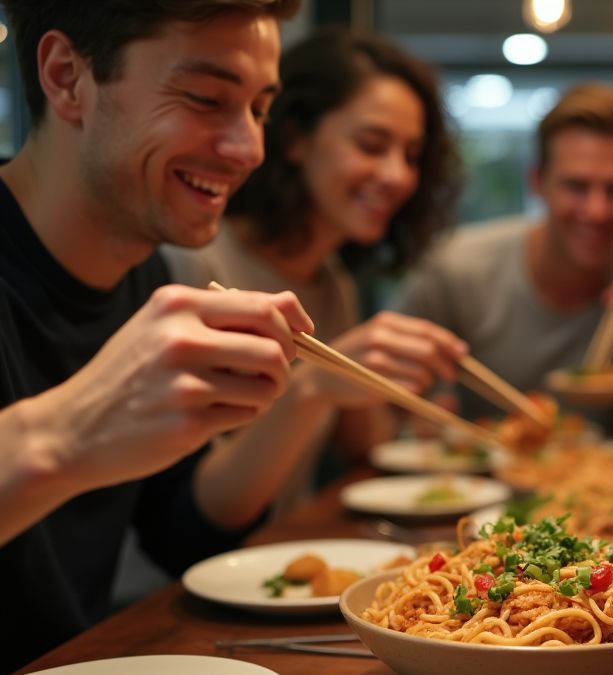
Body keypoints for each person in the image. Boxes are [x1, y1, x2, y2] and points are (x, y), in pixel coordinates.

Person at [0, 1, 316, 670]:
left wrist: (305, 392)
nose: (250, 149)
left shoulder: (150, 277)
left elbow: (183, 533)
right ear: (65, 77)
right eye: (207, 98)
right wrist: (64, 435)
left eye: (260, 109)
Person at [162, 28, 465, 512]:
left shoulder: (330, 282)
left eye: (411, 156)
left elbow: (362, 445)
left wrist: (420, 420)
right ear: (296, 138)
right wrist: (313, 386)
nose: (398, 176)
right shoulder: (197, 266)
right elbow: (198, 514)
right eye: (372, 145)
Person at [396, 83, 613, 435]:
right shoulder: (455, 270)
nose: (596, 211)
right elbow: (389, 400)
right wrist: (421, 415)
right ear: (538, 182)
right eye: (576, 187)